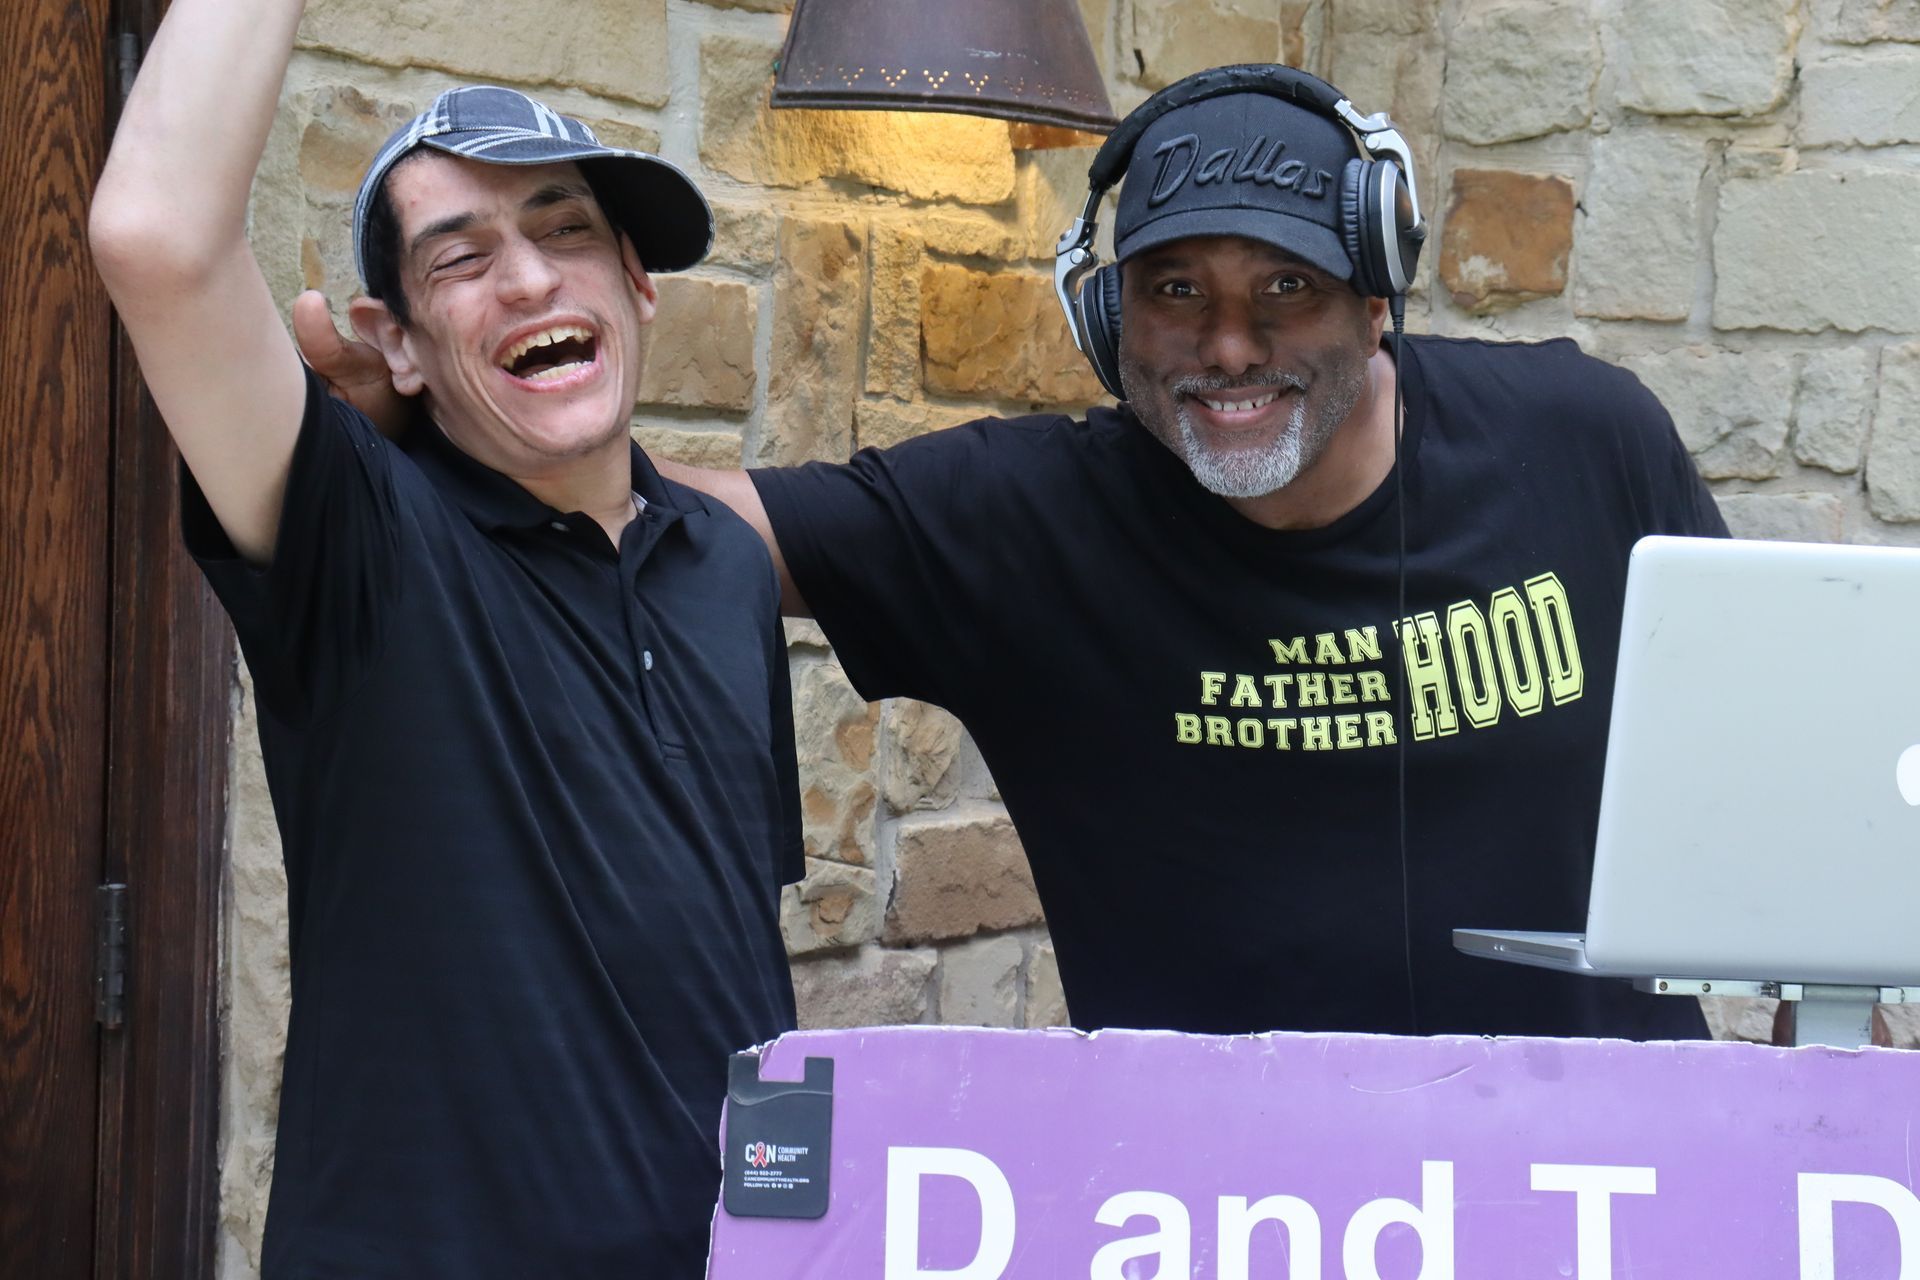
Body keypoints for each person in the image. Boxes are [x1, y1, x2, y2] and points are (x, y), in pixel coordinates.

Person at [303, 67, 1724, 1042]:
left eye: (1283, 289)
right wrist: (435, 415)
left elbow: (1771, 763)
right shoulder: (1021, 518)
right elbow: (661, 512)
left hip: (1595, 1178)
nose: (1229, 347)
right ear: (1105, 320)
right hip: (1225, 1208)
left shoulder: (1584, 438)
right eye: (1174, 292)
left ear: (1373, 294)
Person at [89, 1, 800, 1274]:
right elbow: (157, 238)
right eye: (460, 259)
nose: (531, 277)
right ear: (398, 349)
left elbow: (739, 968)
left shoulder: (728, 566)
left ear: (637, 286)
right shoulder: (364, 545)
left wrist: (798, 1228)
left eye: (567, 228)